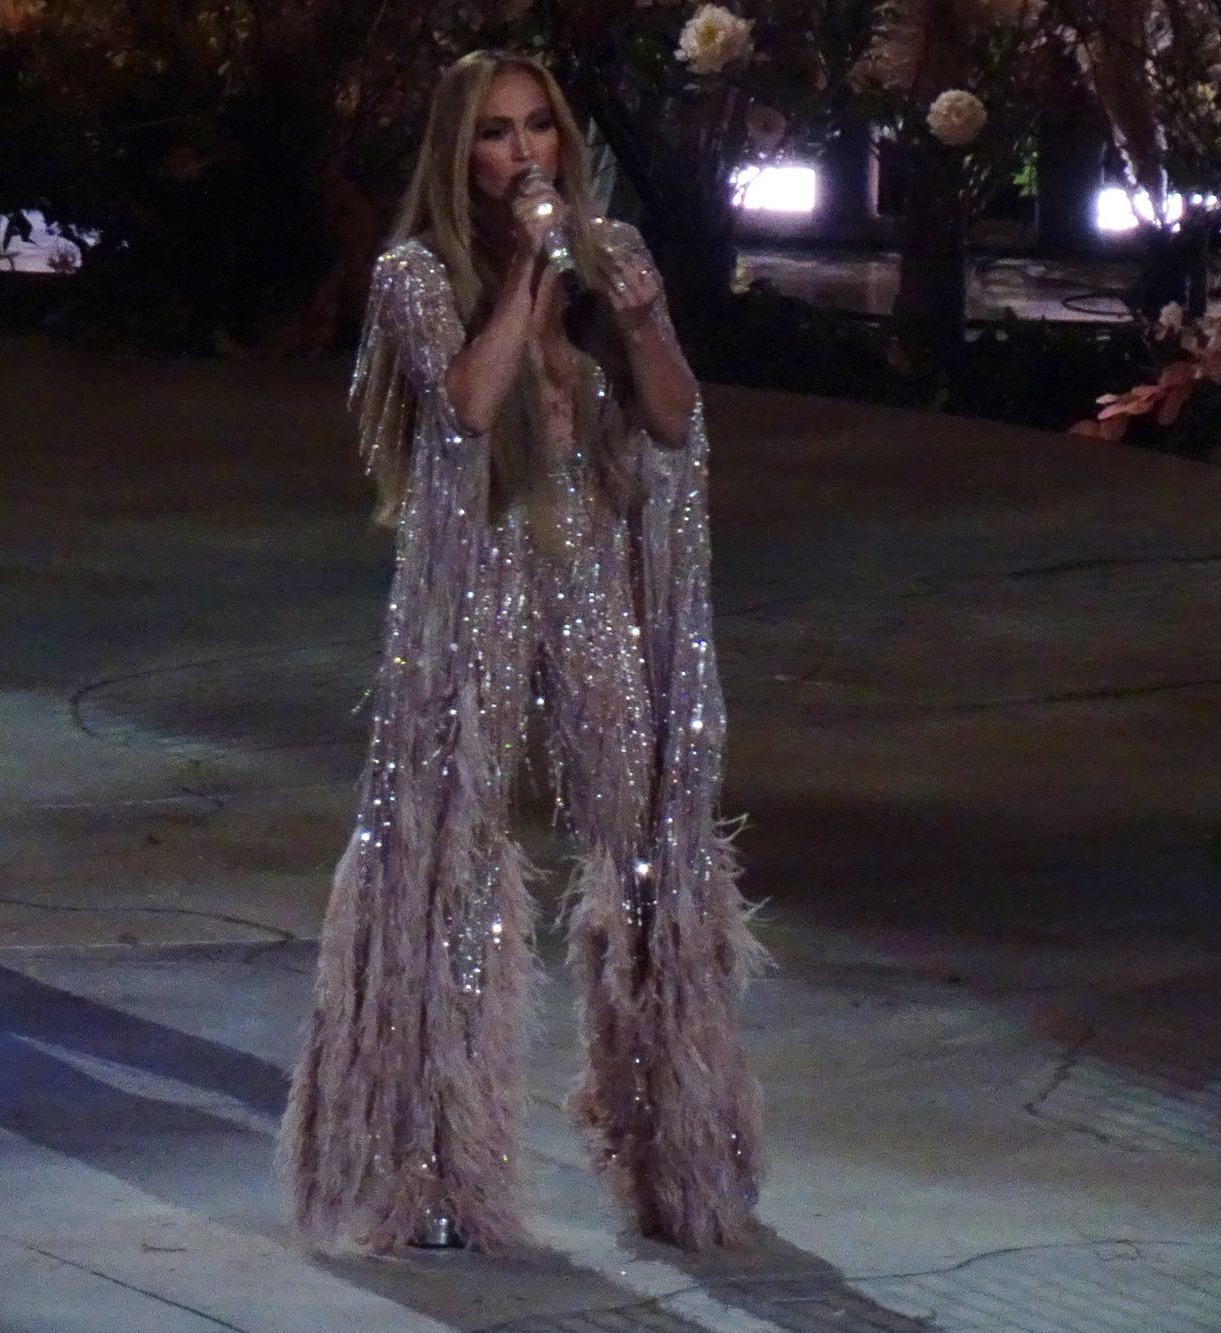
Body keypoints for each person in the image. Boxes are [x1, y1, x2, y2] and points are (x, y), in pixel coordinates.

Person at [275, 49, 768, 1257]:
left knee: (652, 845)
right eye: (496, 134)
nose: (523, 154)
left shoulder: (611, 257)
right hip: (476, 597)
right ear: (462, 157)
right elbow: (461, 408)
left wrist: (635, 317)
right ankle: (434, 1170)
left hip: (593, 580)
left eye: (539, 128)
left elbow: (673, 419)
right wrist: (527, 286)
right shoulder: (414, 275)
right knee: (447, 857)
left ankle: (680, 1154)